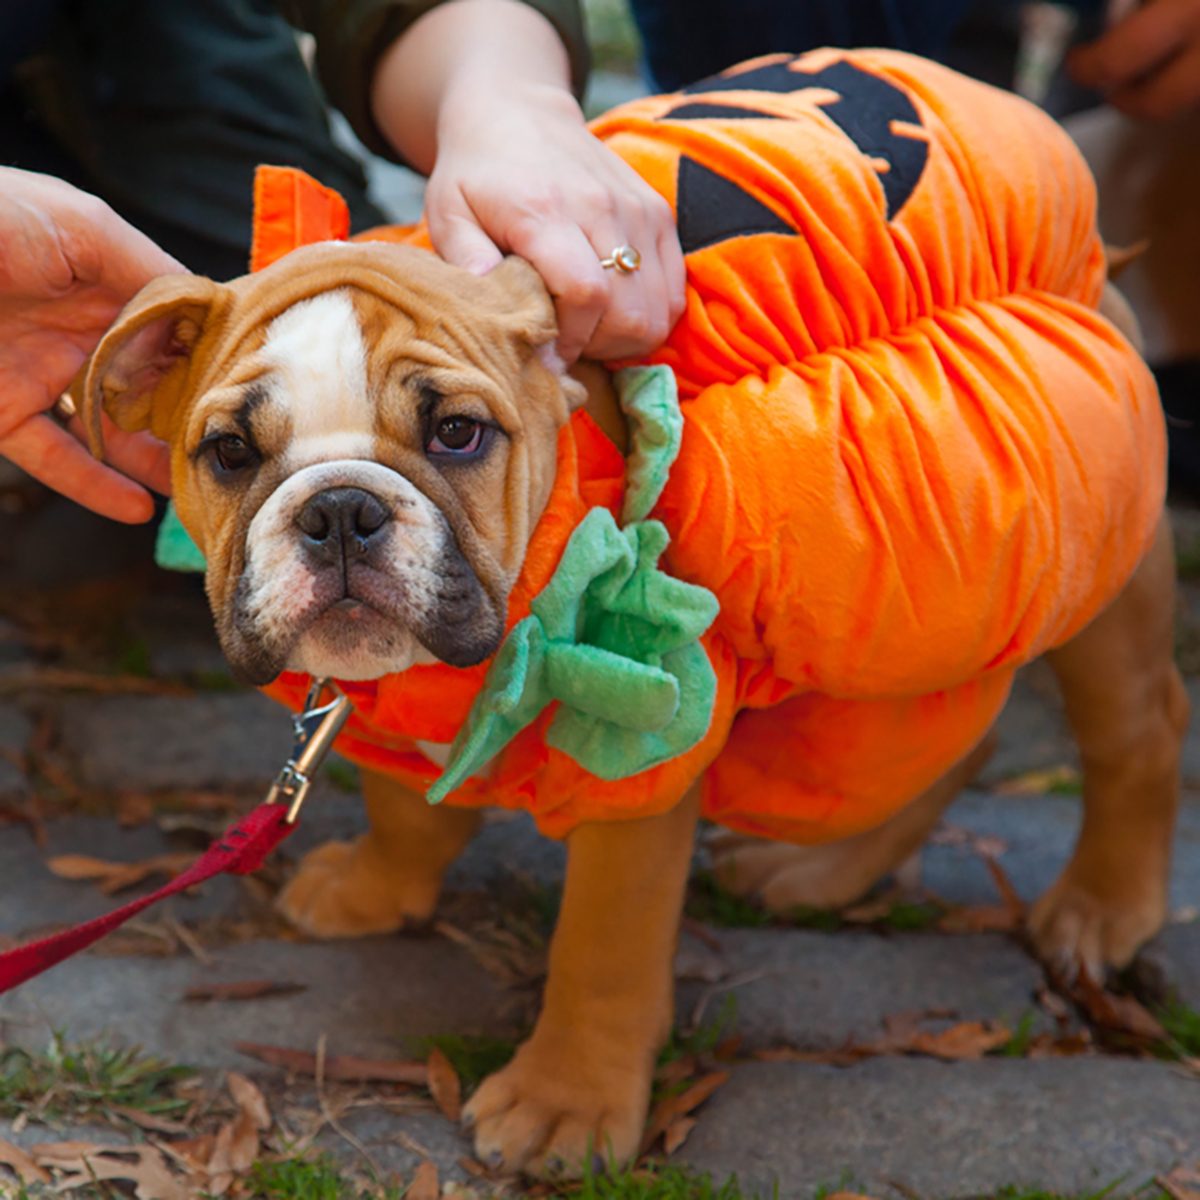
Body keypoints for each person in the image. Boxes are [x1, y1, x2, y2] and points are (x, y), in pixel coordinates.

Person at [0, 0, 683, 524]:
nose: (346, 525)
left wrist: (505, 105)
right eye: (237, 451)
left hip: (128, 49)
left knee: (320, 310)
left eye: (453, 432)